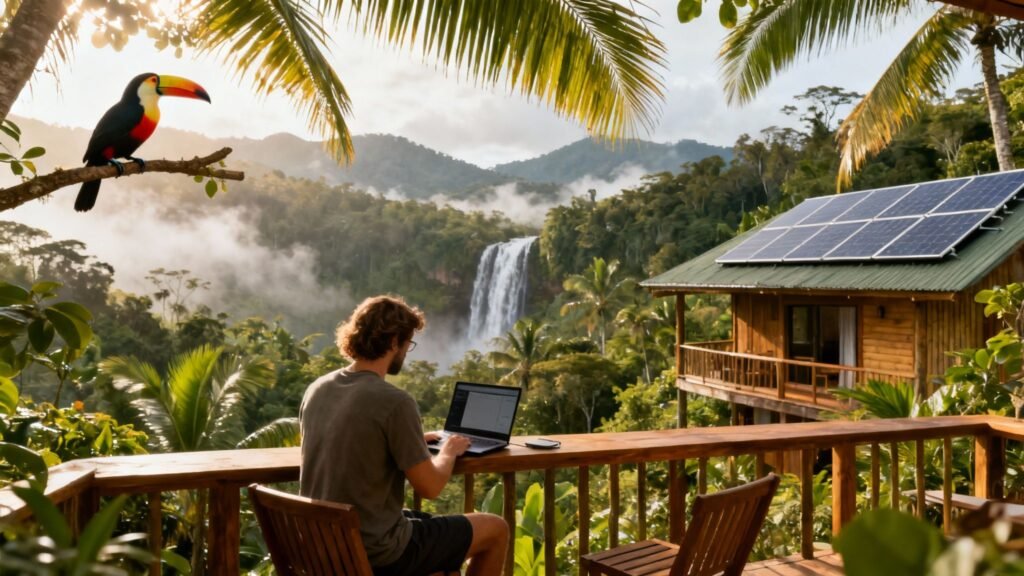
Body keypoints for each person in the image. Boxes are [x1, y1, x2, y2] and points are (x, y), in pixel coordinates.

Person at [300, 295, 509, 576]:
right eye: (408, 344)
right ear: (393, 341)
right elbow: (430, 488)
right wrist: (448, 451)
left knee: (438, 537)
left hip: (323, 543)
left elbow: (356, 437)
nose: (406, 352)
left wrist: (413, 439)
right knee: (495, 528)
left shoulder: (318, 388)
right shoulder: (395, 402)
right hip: (375, 551)